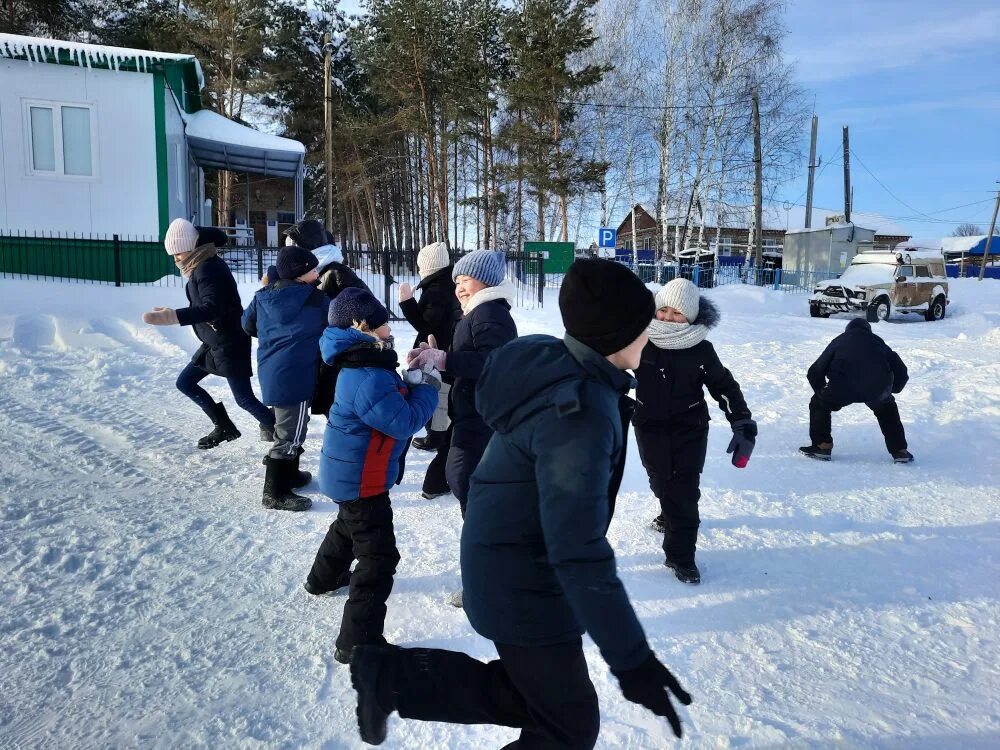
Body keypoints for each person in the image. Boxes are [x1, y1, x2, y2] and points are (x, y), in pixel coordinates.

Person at [349, 258, 692, 749]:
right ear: (621, 333)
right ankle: (389, 677)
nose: (653, 331)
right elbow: (577, 546)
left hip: (510, 562)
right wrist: (632, 658)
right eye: (647, 323)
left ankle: (391, 677)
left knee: (537, 700)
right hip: (524, 578)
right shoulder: (581, 414)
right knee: (568, 726)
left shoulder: (561, 361)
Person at [304, 288, 439, 665]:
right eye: (382, 324)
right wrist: (427, 385)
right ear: (361, 327)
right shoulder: (366, 375)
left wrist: (410, 379)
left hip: (349, 476)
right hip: (362, 480)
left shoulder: (363, 363)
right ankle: (358, 641)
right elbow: (404, 420)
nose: (389, 330)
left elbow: (391, 401)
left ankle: (323, 578)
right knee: (379, 557)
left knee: (348, 525)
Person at [634, 278, 756, 585]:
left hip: (691, 429)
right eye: (663, 310)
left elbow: (724, 386)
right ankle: (667, 510)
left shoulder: (701, 349)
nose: (668, 318)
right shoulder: (640, 341)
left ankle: (681, 556)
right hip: (649, 427)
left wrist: (741, 421)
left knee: (685, 492)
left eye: (677, 313)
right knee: (660, 480)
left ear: (691, 317)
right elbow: (610, 370)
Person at [142, 218, 275, 449]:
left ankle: (281, 432)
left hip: (229, 342)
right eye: (173, 256)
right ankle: (224, 426)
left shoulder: (208, 268)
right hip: (215, 341)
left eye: (179, 254)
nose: (176, 260)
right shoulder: (201, 265)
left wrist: (174, 316)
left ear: (192, 248)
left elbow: (212, 308)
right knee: (185, 382)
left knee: (244, 399)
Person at [407, 250, 518, 516]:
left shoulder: (489, 313)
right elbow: (468, 358)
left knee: (465, 477)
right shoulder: (477, 312)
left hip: (483, 413)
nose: (459, 288)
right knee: (461, 475)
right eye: (456, 282)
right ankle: (483, 534)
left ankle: (486, 538)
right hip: (471, 409)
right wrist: (434, 356)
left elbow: (493, 362)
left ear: (486, 280)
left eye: (465, 280)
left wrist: (445, 359)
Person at [242, 245, 330, 512]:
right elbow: (333, 325)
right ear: (301, 274)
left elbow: (247, 325)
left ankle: (290, 475)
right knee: (290, 435)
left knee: (288, 426)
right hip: (298, 374)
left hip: (272, 371)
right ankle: (275, 492)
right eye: (314, 269)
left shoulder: (263, 296)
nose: (317, 273)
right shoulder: (316, 300)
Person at [262, 219, 371, 416]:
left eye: (293, 248)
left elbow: (365, 306)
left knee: (336, 400)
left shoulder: (335, 272)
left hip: (341, 349)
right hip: (317, 347)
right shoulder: (303, 274)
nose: (288, 254)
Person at [398, 241, 462, 499]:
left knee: (437, 395)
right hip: (443, 348)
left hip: (437, 349)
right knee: (440, 395)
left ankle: (436, 436)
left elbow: (426, 326)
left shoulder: (436, 290)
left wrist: (406, 303)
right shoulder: (445, 284)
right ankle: (435, 435)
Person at [801, 318, 912, 463]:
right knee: (887, 409)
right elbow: (902, 371)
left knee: (819, 404)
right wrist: (892, 390)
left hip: (842, 387)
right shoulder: (878, 342)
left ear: (848, 330)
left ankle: (822, 446)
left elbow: (814, 371)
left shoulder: (840, 341)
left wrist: (821, 391)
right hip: (877, 388)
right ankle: (900, 451)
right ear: (868, 330)